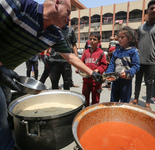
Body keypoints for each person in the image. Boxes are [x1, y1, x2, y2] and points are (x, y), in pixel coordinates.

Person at [0, 0, 101, 149]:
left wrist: (92, 73)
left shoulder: (54, 34)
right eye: (68, 12)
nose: (69, 18)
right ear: (56, 3)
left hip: (6, 74)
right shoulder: (18, 5)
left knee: (8, 111)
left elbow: (70, 57)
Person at [130, 0, 155, 109]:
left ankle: (147, 103)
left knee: (149, 82)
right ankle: (135, 99)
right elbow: (137, 41)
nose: (154, 10)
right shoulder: (141, 28)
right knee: (137, 81)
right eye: (152, 8)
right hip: (139, 60)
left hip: (151, 60)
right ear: (147, 10)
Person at [105, 26, 140, 103]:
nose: (119, 39)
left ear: (130, 38)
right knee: (113, 102)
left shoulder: (133, 51)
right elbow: (111, 65)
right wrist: (107, 74)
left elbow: (136, 66)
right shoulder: (116, 52)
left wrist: (128, 72)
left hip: (126, 82)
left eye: (122, 37)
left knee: (124, 103)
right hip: (115, 81)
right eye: (119, 37)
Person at [76, 32, 107, 106]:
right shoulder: (86, 52)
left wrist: (98, 70)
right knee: (85, 98)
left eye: (94, 39)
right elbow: (81, 62)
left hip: (96, 81)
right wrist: (78, 68)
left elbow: (104, 65)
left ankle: (94, 113)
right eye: (91, 39)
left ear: (99, 42)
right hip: (86, 80)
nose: (92, 41)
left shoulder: (101, 53)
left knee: (95, 100)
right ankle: (86, 112)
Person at [48, 25, 79, 90]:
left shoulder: (70, 31)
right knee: (54, 82)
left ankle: (66, 98)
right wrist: (46, 54)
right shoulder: (53, 29)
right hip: (54, 60)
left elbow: (73, 44)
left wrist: (76, 56)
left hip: (66, 60)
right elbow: (48, 41)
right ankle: (55, 98)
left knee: (67, 82)